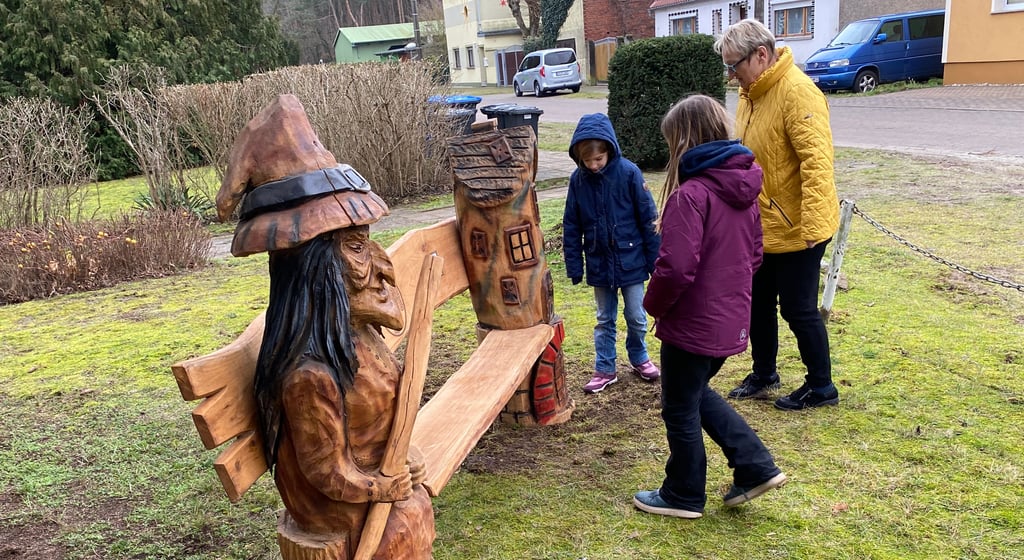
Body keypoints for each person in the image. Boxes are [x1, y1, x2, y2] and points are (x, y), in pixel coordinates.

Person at [217, 94, 434, 558]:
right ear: (315, 272)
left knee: (415, 513)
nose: (383, 266)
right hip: (337, 509)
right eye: (356, 248)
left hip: (375, 485)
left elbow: (380, 427)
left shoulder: (357, 340)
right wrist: (381, 485)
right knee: (403, 526)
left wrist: (403, 458)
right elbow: (327, 472)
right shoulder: (310, 378)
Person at [632, 94, 786, 519]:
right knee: (695, 393)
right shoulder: (742, 192)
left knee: (679, 405)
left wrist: (654, 306)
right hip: (728, 321)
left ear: (682, 141)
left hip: (693, 324)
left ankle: (682, 494)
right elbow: (754, 257)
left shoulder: (692, 196)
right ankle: (755, 466)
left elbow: (676, 267)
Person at [715, 19, 842, 410]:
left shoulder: (798, 93)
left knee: (798, 308)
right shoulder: (752, 93)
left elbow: (817, 164)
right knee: (757, 302)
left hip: (799, 226)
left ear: (761, 55)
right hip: (761, 224)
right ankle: (764, 372)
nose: (731, 74)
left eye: (734, 65)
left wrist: (815, 226)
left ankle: (821, 387)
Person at [563, 113, 662, 394]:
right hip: (598, 262)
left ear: (609, 151)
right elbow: (572, 224)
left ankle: (639, 356)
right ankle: (605, 367)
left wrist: (656, 263)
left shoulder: (630, 173)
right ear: (579, 158)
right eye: (588, 161)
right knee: (604, 318)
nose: (593, 166)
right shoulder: (578, 181)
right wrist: (574, 266)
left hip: (631, 261)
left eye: (599, 160)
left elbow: (648, 219)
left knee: (636, 315)